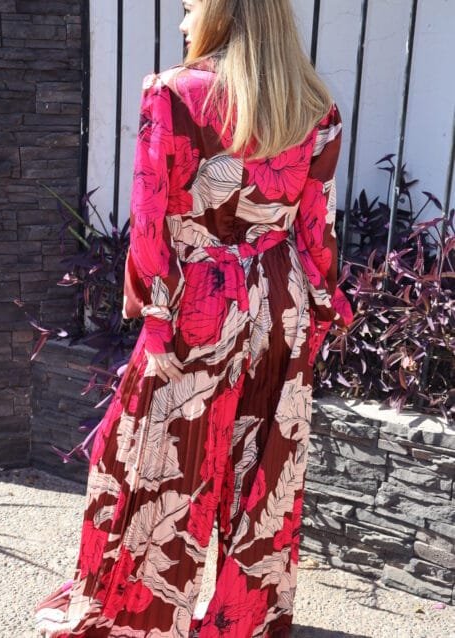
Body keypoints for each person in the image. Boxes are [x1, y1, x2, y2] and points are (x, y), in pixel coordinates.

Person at [34, 0, 353, 636]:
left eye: (188, 7)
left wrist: (152, 312)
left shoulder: (175, 93)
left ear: (218, 11)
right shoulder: (316, 106)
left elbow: (152, 218)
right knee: (261, 467)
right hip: (281, 303)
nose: (183, 24)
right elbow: (316, 229)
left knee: (158, 463)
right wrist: (326, 304)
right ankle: (245, 619)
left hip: (200, 304)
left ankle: (140, 617)